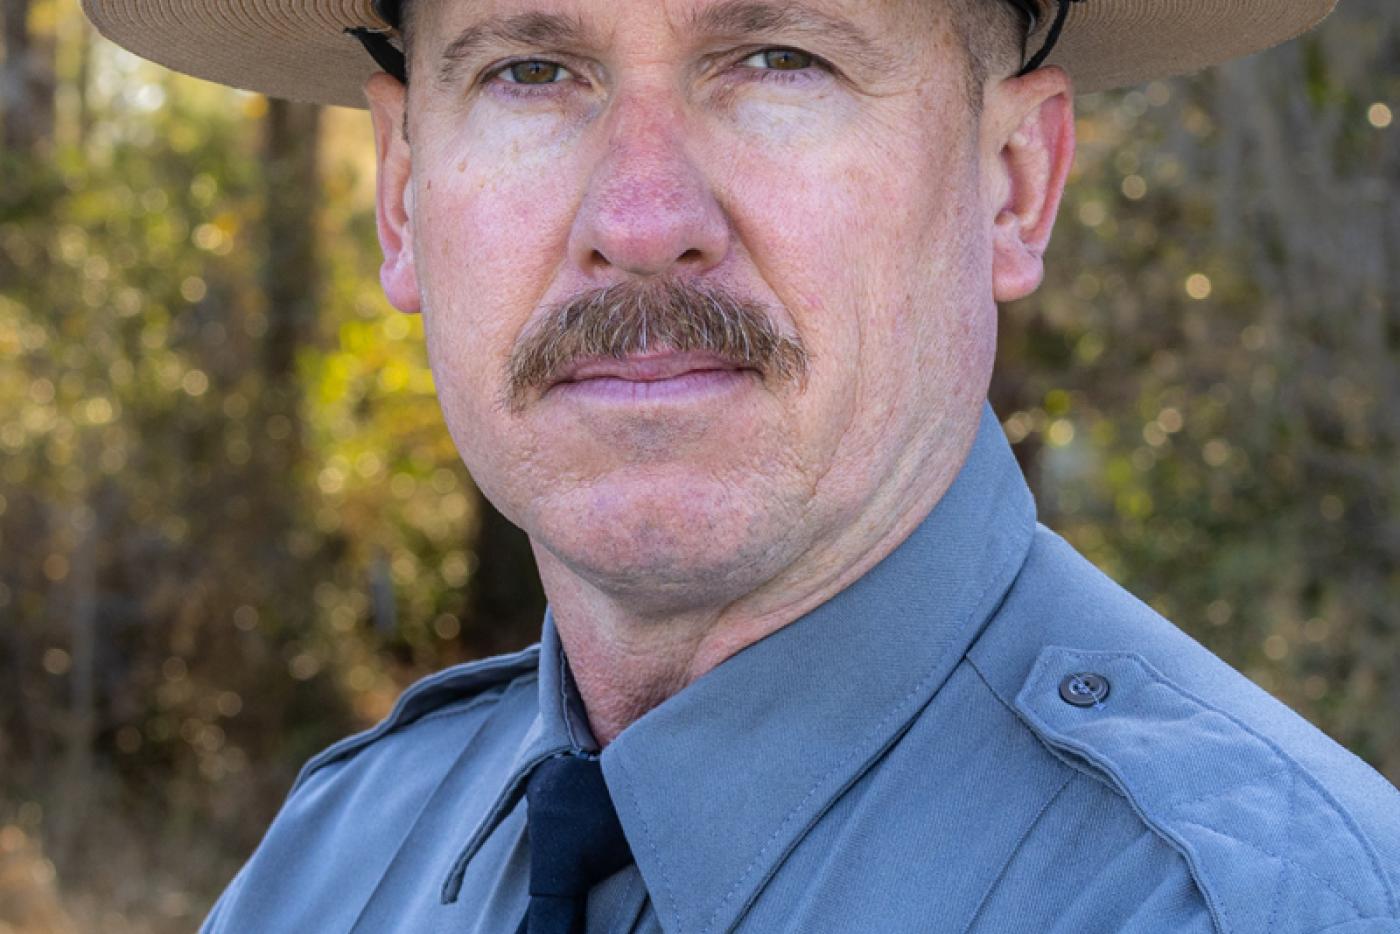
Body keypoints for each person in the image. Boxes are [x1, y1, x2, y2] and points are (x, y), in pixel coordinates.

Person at [82, 0, 1400, 931]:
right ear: (401, 196)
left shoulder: (1253, 906)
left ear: (1013, 183)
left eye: (777, 56)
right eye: (531, 72)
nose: (644, 223)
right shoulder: (326, 872)